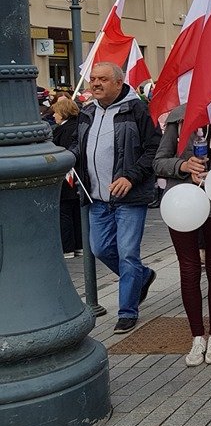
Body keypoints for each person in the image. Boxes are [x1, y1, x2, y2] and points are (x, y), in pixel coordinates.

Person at [153, 96, 211, 366]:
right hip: (182, 202)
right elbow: (159, 161)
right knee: (189, 268)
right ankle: (197, 336)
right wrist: (183, 166)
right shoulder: (179, 117)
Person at [69, 62, 161, 333]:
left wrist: (130, 177)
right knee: (99, 248)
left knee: (128, 254)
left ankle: (127, 311)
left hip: (129, 197)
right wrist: (67, 158)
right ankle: (143, 276)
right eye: (93, 78)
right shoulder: (87, 112)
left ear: (119, 83)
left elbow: (154, 148)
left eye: (102, 79)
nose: (95, 83)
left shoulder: (137, 110)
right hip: (96, 198)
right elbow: (78, 145)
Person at [52, 96, 82, 258]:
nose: (54, 115)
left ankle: (68, 248)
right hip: (77, 177)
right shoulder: (78, 126)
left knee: (65, 212)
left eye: (56, 112)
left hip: (67, 176)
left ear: (63, 113)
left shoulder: (64, 131)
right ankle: (80, 245)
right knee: (76, 213)